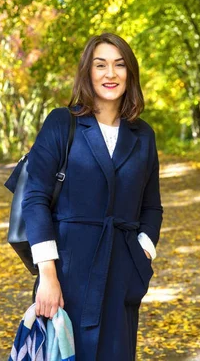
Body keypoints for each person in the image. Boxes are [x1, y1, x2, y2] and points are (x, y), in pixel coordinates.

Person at [21, 32, 163, 361]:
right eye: (101, 65)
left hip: (121, 273)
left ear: (131, 74)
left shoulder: (143, 136)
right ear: (88, 72)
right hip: (67, 272)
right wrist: (48, 276)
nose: (110, 74)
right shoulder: (62, 123)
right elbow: (35, 198)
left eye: (119, 65)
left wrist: (143, 253)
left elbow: (152, 206)